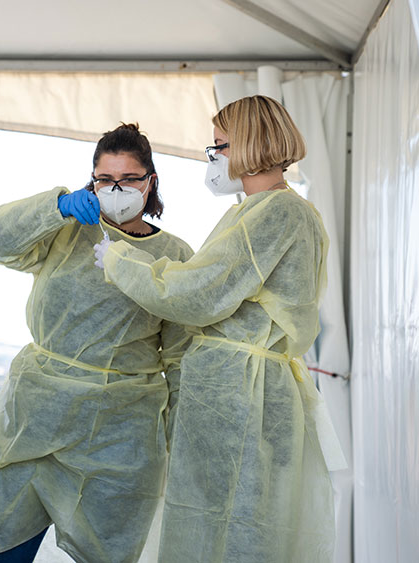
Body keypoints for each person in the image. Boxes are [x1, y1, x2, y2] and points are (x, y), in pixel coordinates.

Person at [95, 96, 346, 562]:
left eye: (219, 147)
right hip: (236, 390)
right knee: (218, 524)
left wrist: (122, 261)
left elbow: (198, 293)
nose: (213, 160)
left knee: (238, 528)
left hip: (242, 393)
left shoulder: (277, 214)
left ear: (248, 143)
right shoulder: (255, 212)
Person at [0, 123, 194, 563]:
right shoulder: (65, 230)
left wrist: (183, 439)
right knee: (4, 548)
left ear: (151, 183)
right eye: (105, 179)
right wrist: (56, 208)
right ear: (90, 182)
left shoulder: (176, 256)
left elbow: (181, 356)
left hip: (121, 435)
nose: (117, 189)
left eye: (129, 179)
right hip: (36, 420)